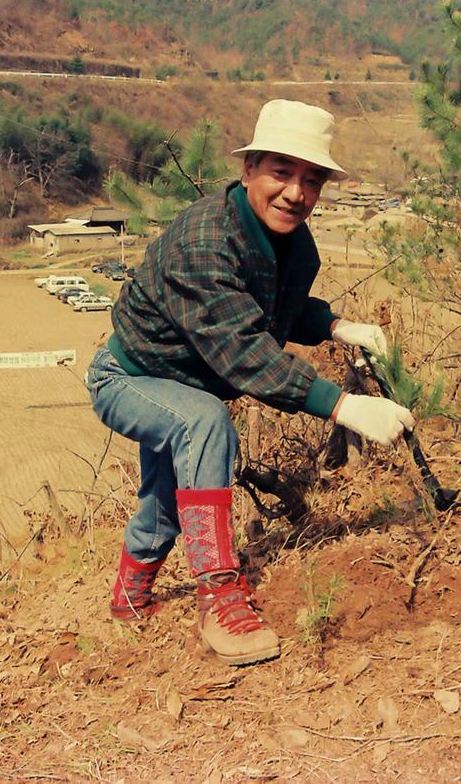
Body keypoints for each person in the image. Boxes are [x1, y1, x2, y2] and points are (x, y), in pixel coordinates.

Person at [86, 99, 414, 666]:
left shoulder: (293, 243)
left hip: (187, 385)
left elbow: (273, 311)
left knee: (167, 498)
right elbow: (243, 350)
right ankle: (218, 593)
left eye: (311, 180)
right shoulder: (204, 241)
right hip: (130, 377)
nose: (295, 192)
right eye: (281, 172)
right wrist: (344, 407)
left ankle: (129, 599)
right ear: (248, 170)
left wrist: (337, 326)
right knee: (204, 423)